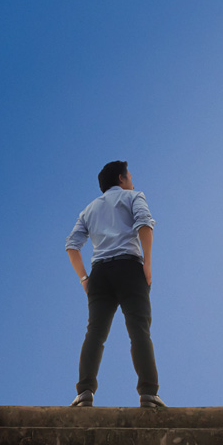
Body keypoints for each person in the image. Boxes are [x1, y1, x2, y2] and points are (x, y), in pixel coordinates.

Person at [65, 160, 164, 408]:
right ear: (121, 178)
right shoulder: (133, 196)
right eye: (129, 175)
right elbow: (144, 224)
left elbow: (72, 246)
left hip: (99, 274)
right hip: (129, 268)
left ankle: (84, 392)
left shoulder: (88, 210)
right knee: (139, 331)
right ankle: (148, 393)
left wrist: (84, 278)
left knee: (95, 333)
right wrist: (147, 263)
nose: (132, 180)